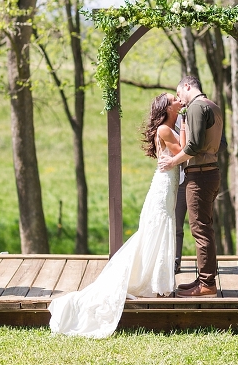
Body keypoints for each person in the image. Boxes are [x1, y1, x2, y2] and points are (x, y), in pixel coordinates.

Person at [49, 93, 184, 338]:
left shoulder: (170, 126)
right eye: (174, 98)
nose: (178, 100)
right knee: (159, 227)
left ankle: (157, 280)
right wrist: (185, 125)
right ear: (167, 107)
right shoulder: (166, 129)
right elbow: (183, 151)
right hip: (164, 185)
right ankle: (155, 282)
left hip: (168, 183)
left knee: (160, 228)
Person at [159, 76, 223, 298]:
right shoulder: (213, 106)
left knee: (200, 230)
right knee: (205, 228)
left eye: (179, 93)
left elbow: (193, 146)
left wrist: (172, 162)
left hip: (200, 175)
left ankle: (207, 284)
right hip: (211, 172)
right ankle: (205, 277)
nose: (179, 98)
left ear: (187, 86)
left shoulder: (196, 106)